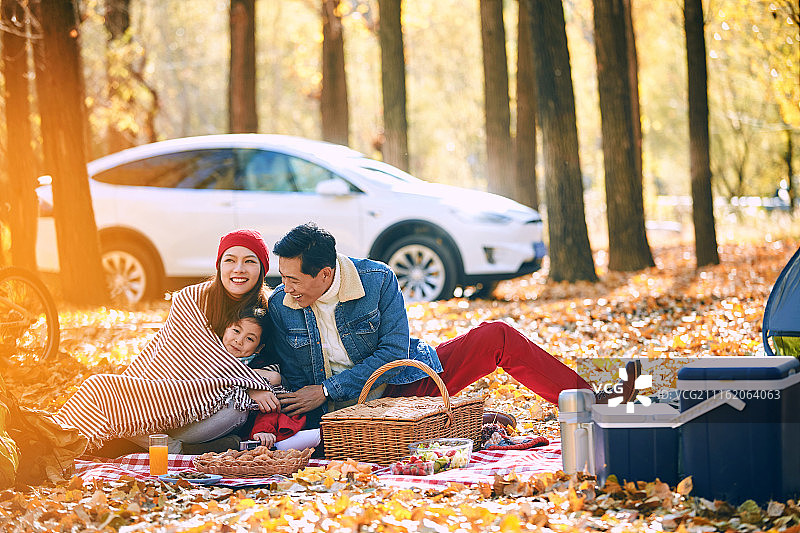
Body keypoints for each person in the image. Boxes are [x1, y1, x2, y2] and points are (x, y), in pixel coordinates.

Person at [269, 223, 639, 427]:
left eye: (293, 279)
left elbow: (394, 353)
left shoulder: (377, 279)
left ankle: (594, 401)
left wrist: (329, 388)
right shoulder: (281, 305)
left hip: (405, 383)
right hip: (351, 419)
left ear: (325, 273)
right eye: (282, 277)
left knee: (497, 336)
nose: (286, 287)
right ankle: (462, 420)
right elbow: (296, 380)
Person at [55, 229, 281, 454]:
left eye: (250, 261)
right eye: (230, 260)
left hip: (208, 416)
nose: (238, 269)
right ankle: (178, 450)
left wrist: (259, 382)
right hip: (159, 399)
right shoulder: (190, 299)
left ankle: (155, 446)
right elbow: (203, 358)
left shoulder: (269, 311)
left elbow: (276, 368)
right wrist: (254, 382)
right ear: (219, 265)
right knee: (99, 389)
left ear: (262, 269)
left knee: (237, 405)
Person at [221, 305, 319, 450]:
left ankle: (262, 442)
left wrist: (264, 429)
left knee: (271, 397)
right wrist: (247, 385)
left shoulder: (265, 367)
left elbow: (272, 404)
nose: (239, 341)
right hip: (214, 420)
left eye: (249, 339)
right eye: (236, 331)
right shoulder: (209, 352)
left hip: (253, 424)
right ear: (225, 328)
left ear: (259, 348)